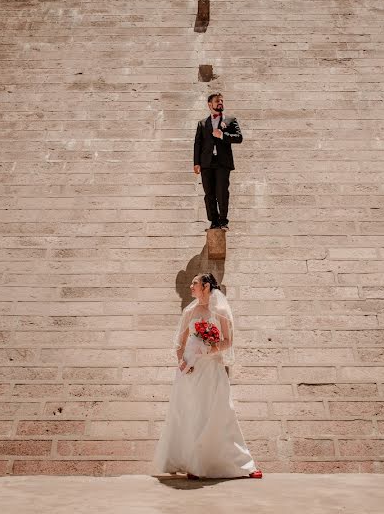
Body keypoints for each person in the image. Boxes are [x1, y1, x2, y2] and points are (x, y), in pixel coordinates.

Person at [153, 273, 263, 480]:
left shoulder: (220, 311)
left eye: (194, 283)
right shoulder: (190, 311)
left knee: (221, 413)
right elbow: (180, 343)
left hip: (212, 368)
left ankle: (242, 464)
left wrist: (210, 348)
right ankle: (192, 463)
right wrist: (182, 362)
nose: (191, 287)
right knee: (190, 413)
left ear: (205, 286)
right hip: (191, 370)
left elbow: (228, 341)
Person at [193, 94, 242, 230]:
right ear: (210, 104)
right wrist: (196, 163)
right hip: (206, 163)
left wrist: (222, 135)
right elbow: (198, 144)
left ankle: (223, 220)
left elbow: (239, 137)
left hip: (222, 163)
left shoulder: (231, 120)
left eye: (221, 101)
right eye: (217, 101)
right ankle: (213, 220)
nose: (220, 103)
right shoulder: (202, 123)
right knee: (209, 194)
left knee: (222, 192)